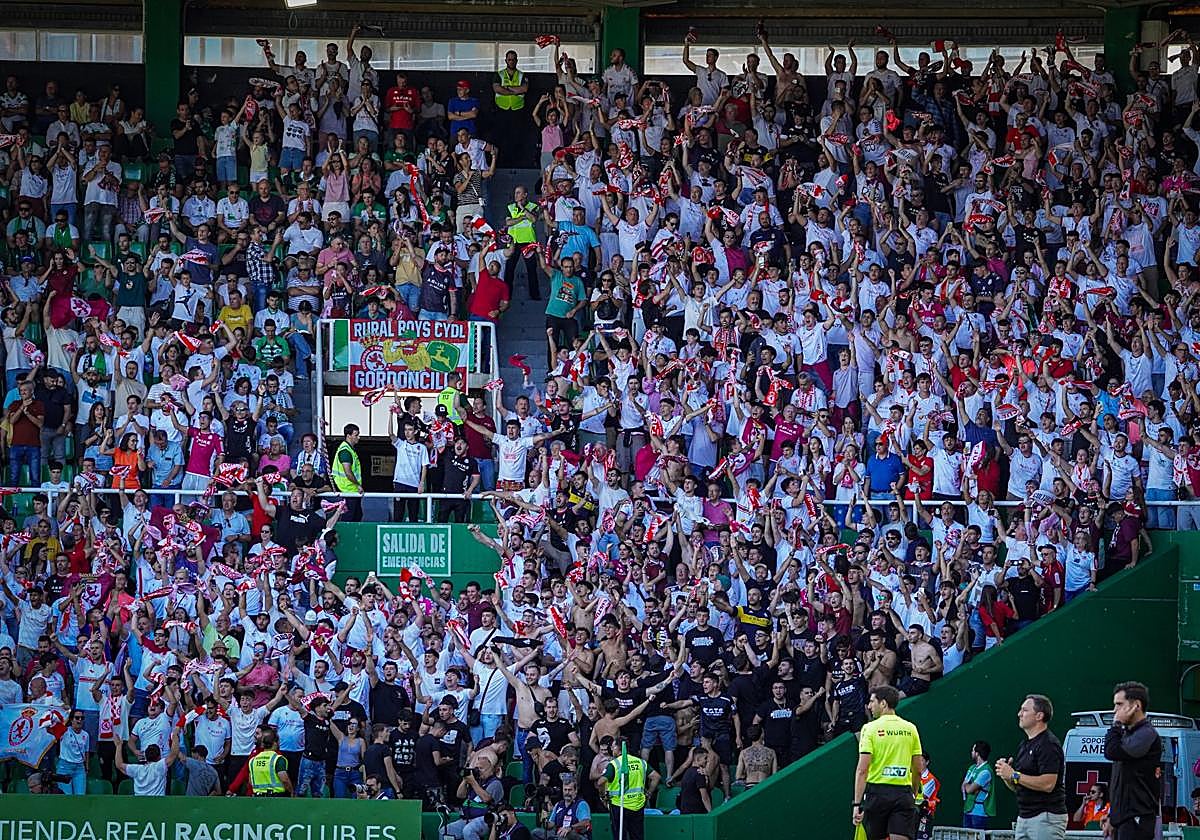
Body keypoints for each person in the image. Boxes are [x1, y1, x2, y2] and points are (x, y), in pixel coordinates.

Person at [852, 685, 924, 840]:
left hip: (877, 793)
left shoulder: (869, 728)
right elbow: (918, 768)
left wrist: (856, 804)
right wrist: (913, 792)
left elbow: (862, 770)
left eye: (872, 701)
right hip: (903, 792)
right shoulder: (910, 728)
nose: (869, 706)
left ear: (883, 703)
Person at [995, 694, 1067, 840]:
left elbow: (1048, 784)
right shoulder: (1024, 745)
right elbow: (1018, 786)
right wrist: (1007, 776)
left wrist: (1014, 775)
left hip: (1045, 818)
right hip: (1024, 816)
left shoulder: (1048, 744)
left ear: (1039, 716)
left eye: (1025, 710)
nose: (1019, 714)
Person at [1104, 681, 1161, 840]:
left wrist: (1115, 724)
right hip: (1122, 818)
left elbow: (1112, 751)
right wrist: (1112, 816)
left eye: (1119, 704)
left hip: (1138, 817)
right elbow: (1120, 781)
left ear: (1136, 705)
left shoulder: (1146, 734)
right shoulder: (1127, 734)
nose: (1115, 710)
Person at [602, 737, 659, 840]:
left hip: (619, 804)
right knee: (637, 836)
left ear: (619, 748)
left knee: (620, 836)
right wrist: (649, 793)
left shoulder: (614, 764)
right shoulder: (640, 762)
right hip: (638, 804)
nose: (612, 749)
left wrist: (603, 796)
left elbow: (601, 782)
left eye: (613, 746)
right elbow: (656, 777)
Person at [331, 422, 364, 521]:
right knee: (349, 518)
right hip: (348, 491)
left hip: (352, 490)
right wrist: (358, 485)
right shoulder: (345, 451)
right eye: (356, 435)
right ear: (348, 436)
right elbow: (348, 473)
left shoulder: (350, 450)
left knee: (357, 516)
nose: (359, 437)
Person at [248, 728, 293, 797]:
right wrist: (291, 792)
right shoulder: (278, 759)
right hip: (276, 798)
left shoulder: (253, 760)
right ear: (275, 743)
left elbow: (250, 781)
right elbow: (284, 780)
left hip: (258, 798)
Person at [961, 740, 996, 829]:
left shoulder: (986, 771)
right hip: (967, 810)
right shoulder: (971, 768)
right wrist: (970, 786)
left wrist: (969, 786)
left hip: (979, 814)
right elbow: (963, 786)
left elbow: (969, 789)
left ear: (977, 753)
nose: (971, 752)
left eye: (973, 750)